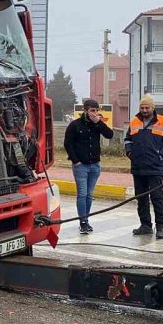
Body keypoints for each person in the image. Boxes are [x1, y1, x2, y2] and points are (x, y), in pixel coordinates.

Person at [125, 94, 163, 239]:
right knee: (141, 197)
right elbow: (128, 139)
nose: (144, 110)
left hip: (155, 167)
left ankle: (160, 226)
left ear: (153, 108)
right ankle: (145, 225)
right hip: (138, 167)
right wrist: (129, 152)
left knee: (157, 197)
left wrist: (161, 155)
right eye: (142, 107)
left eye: (147, 107)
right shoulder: (134, 121)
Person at [64, 98, 114, 234]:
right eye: (92, 110)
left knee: (89, 195)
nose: (95, 113)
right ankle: (83, 222)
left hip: (95, 165)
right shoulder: (75, 125)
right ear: (86, 111)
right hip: (81, 166)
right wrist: (75, 161)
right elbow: (68, 143)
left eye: (97, 110)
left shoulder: (97, 124)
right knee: (82, 194)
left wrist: (99, 123)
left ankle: (87, 219)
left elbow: (110, 135)